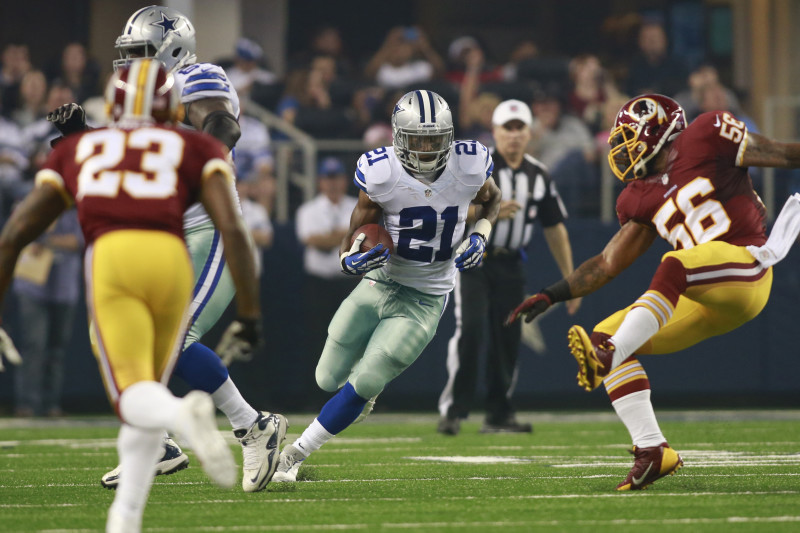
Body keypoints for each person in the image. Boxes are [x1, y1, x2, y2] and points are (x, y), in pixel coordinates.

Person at [0, 59, 261, 533]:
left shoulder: (87, 147)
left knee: (134, 393)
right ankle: (125, 520)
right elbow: (234, 225)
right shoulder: (190, 144)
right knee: (149, 392)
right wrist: (250, 311)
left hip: (117, 255)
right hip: (171, 258)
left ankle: (186, 414)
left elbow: (15, 233)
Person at [46, 5, 286, 494]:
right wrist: (81, 137)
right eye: (127, 53)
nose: (129, 62)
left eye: (138, 52)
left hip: (206, 229)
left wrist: (202, 167)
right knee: (110, 337)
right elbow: (137, 160)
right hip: (161, 234)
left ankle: (251, 425)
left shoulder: (197, 77)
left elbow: (222, 125)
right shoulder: (137, 101)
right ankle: (158, 444)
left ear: (171, 51)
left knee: (173, 339)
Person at [507, 94, 800, 491]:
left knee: (673, 266)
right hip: (702, 293)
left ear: (658, 129)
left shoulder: (706, 135)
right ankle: (652, 450)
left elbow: (782, 154)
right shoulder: (638, 196)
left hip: (745, 269)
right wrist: (551, 294)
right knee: (604, 334)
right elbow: (607, 263)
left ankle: (608, 357)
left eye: (629, 136)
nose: (623, 147)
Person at [272, 90, 502, 482]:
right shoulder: (381, 172)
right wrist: (349, 259)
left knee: (365, 380)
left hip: (427, 296)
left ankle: (294, 455)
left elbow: (493, 200)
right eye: (418, 140)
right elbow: (354, 231)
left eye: (435, 139)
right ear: (398, 137)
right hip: (379, 282)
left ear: (449, 136)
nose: (428, 149)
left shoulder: (470, 164)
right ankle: (357, 396)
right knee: (326, 378)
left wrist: (480, 232)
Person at [437, 100, 579, 436]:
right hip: (474, 259)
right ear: (495, 132)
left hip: (512, 264)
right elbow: (445, 208)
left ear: (529, 133)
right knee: (470, 330)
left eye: (520, 128)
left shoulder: (539, 175)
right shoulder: (474, 168)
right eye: (507, 128)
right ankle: (453, 410)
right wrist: (488, 211)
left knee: (508, 337)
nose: (513, 135)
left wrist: (571, 281)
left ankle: (498, 413)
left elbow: (555, 228)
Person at [295, 157, 359, 402]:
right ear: (321, 182)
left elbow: (360, 238)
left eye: (336, 178)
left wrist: (331, 238)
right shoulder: (308, 210)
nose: (332, 184)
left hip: (348, 283)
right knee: (318, 338)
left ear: (344, 181)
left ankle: (354, 396)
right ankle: (316, 396)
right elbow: (312, 241)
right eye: (327, 178)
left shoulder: (356, 205)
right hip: (318, 284)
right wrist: (344, 235)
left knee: (353, 338)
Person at [12, 208, 82, 417]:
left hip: (64, 288)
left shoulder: (76, 209)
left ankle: (51, 404)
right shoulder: (31, 202)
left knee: (56, 350)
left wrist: (44, 240)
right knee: (34, 345)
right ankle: (27, 404)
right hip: (32, 285)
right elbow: (16, 234)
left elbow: (78, 241)